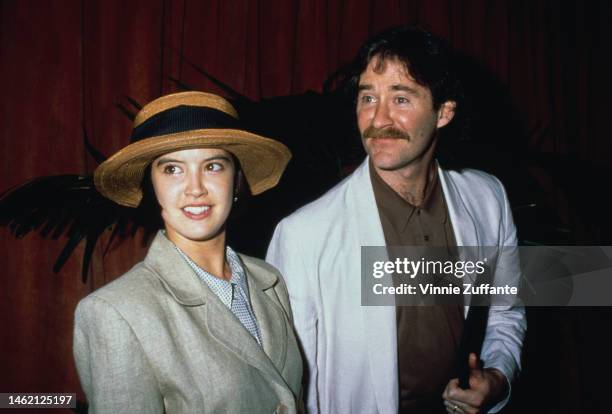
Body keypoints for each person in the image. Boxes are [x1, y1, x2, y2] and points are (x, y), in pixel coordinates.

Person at [266, 26, 526, 414]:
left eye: (401, 98)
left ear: (444, 112)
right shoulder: (304, 235)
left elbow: (505, 311)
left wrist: (497, 378)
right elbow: (285, 382)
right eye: (367, 97)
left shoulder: (487, 198)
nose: (378, 118)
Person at [73, 91, 303, 413]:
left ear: (236, 180)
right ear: (150, 185)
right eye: (172, 170)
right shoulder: (115, 312)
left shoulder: (269, 280)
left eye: (212, 166)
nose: (195, 188)